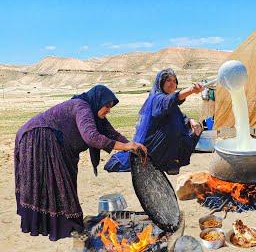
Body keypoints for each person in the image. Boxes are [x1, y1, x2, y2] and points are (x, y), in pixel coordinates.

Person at [14, 85, 146, 241]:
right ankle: (55, 225)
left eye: (110, 107)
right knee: (55, 184)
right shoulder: (82, 107)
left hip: (55, 143)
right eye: (107, 106)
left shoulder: (96, 115)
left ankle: (58, 225)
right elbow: (91, 137)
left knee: (62, 184)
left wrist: (132, 146)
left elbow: (112, 134)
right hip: (39, 138)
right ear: (98, 101)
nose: (108, 110)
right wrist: (125, 146)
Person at [105, 69, 204, 174]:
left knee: (195, 129)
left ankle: (172, 161)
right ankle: (163, 162)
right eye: (168, 80)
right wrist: (191, 90)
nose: (172, 83)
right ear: (161, 83)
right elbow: (170, 100)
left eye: (175, 81)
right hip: (153, 146)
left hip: (166, 144)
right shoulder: (157, 99)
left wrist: (191, 120)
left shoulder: (171, 104)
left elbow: (179, 116)